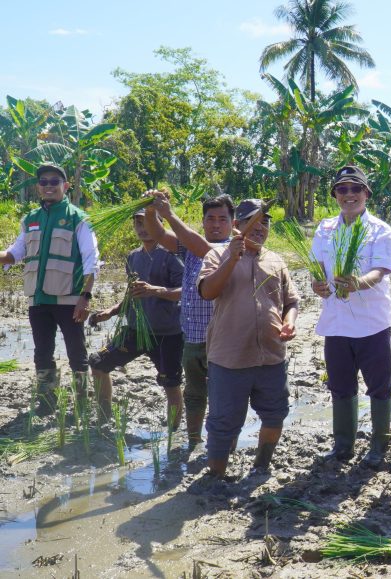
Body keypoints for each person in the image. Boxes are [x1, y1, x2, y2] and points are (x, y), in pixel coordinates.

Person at [198, 199, 299, 477]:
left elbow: (291, 301)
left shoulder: (276, 260)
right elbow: (207, 292)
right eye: (252, 222)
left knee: (275, 414)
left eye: (264, 223)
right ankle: (216, 476)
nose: (259, 228)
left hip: (271, 356)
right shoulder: (217, 255)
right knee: (223, 423)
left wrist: (289, 322)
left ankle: (261, 466)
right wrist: (232, 258)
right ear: (236, 225)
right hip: (229, 358)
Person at [311, 166, 391, 468]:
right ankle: (343, 446)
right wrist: (318, 285)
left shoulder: (380, 230)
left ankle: (378, 447)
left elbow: (380, 270)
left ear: (366, 193)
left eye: (355, 189)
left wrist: (359, 282)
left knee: (379, 387)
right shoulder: (324, 229)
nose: (349, 195)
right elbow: (317, 270)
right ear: (335, 194)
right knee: (341, 386)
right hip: (336, 324)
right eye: (342, 189)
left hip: (372, 323)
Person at [0, 164, 98, 414]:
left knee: (76, 352)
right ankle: (47, 402)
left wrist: (85, 297)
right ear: (38, 187)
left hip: (69, 300)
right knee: (42, 352)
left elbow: (91, 260)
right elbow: (14, 254)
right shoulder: (30, 219)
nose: (49, 186)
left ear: (66, 186)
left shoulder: (78, 218)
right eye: (43, 182)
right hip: (38, 300)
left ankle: (82, 404)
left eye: (54, 181)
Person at [143, 191, 234, 447]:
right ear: (202, 221)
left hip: (221, 340)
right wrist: (150, 210)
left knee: (223, 395)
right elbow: (159, 234)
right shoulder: (189, 247)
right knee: (194, 393)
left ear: (233, 223)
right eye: (210, 219)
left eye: (222, 219)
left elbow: (201, 248)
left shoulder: (231, 249)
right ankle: (194, 441)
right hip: (193, 336)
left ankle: (223, 446)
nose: (216, 225)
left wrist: (169, 214)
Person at [88, 209, 184, 427]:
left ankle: (173, 433)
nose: (143, 228)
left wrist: (155, 290)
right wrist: (111, 311)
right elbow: (132, 295)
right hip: (136, 331)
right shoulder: (133, 257)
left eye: (148, 223)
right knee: (98, 364)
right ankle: (104, 419)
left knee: (171, 383)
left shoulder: (171, 256)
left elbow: (186, 292)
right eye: (138, 224)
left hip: (167, 334)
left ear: (160, 225)